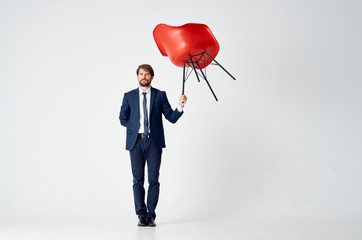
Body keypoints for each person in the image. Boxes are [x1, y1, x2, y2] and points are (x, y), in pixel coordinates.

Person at [119, 64, 187, 227]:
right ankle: (141, 215)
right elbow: (122, 118)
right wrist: (135, 127)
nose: (144, 77)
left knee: (153, 179)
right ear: (137, 76)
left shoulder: (160, 95)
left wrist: (180, 106)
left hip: (154, 142)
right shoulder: (129, 96)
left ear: (152, 77)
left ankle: (151, 215)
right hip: (135, 142)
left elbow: (171, 117)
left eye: (147, 74)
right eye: (141, 74)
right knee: (137, 180)